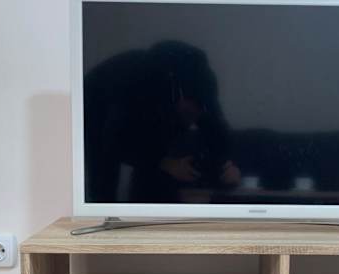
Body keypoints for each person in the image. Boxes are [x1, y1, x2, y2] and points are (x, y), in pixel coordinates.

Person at [84, 40, 241, 203]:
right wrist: (166, 163)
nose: (192, 121)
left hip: (155, 98)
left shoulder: (204, 94)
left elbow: (219, 133)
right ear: (179, 95)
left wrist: (231, 166)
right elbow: (114, 143)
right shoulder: (141, 88)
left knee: (165, 149)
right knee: (104, 175)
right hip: (97, 100)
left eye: (197, 115)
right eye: (188, 113)